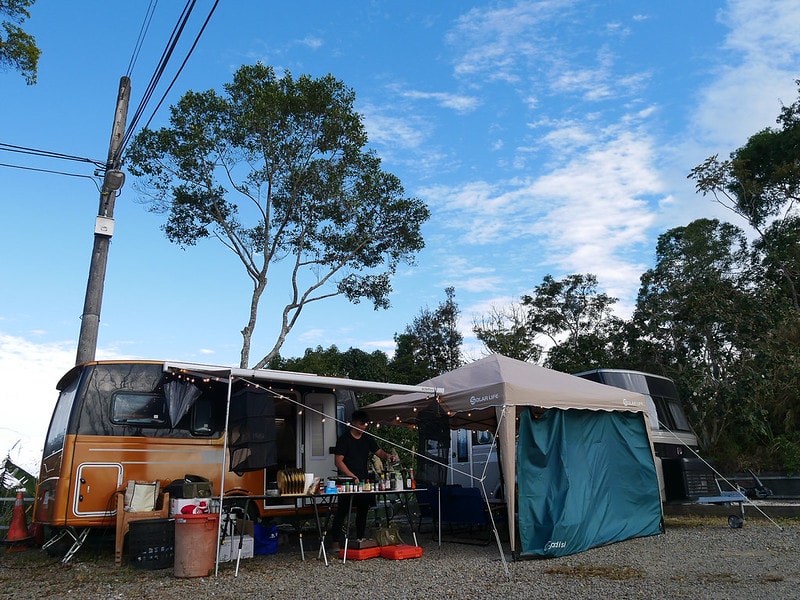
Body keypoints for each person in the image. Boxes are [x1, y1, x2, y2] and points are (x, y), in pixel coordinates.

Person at [330, 409, 396, 551]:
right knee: (342, 511)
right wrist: (351, 475)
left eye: (365, 424)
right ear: (353, 423)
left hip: (363, 480)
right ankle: (335, 541)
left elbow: (378, 452)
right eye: (361, 424)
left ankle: (360, 537)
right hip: (346, 480)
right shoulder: (344, 439)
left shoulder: (367, 438)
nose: (363, 427)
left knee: (363, 510)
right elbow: (338, 461)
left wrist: (388, 456)